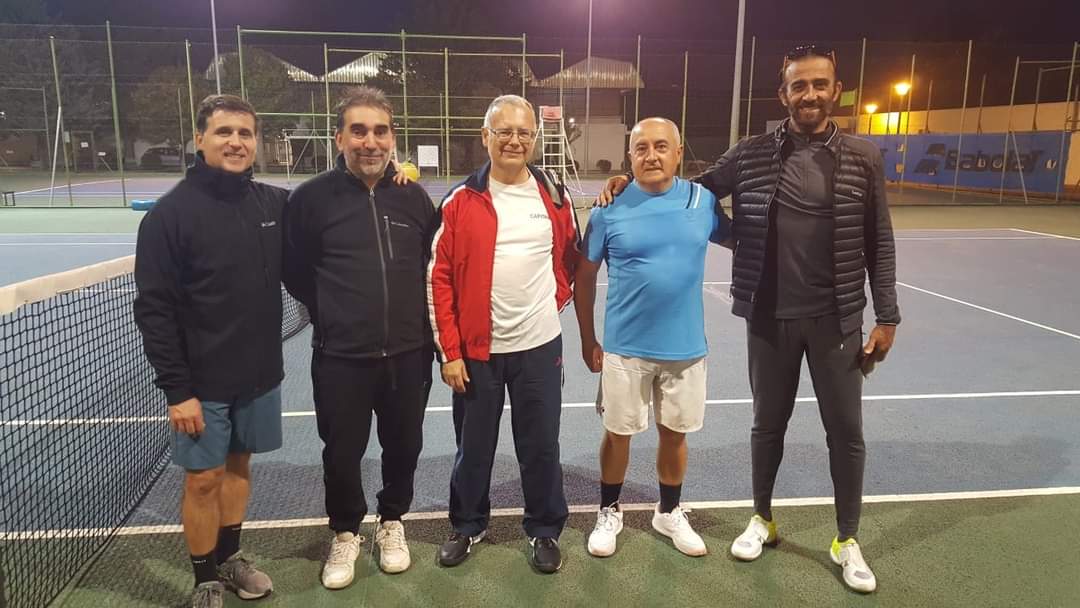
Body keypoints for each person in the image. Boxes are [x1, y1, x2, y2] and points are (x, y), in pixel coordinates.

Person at [598, 44, 900, 593]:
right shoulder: (751, 154)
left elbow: (880, 239)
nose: (809, 94)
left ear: (836, 90)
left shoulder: (863, 156)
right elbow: (691, 192)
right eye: (798, 85)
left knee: (846, 432)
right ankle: (762, 518)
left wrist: (887, 315)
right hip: (768, 315)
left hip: (838, 318)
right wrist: (627, 182)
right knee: (767, 426)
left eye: (819, 84)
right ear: (783, 94)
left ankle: (846, 539)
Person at [134, 94, 283, 608]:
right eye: (224, 132)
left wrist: (390, 175)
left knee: (238, 467)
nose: (236, 142)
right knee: (203, 480)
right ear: (199, 139)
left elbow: (327, 204)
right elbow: (154, 311)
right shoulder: (169, 216)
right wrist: (178, 391)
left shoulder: (271, 204)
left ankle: (230, 557)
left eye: (245, 133)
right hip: (200, 382)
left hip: (260, 373)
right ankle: (205, 579)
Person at [283, 86, 435, 587]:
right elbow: (294, 270)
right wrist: (333, 310)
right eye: (359, 131)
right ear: (340, 138)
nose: (370, 142)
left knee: (404, 446)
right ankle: (346, 531)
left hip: (409, 355)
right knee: (342, 453)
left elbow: (433, 266)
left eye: (380, 131)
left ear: (393, 138)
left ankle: (392, 521)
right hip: (340, 358)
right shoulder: (310, 199)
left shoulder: (413, 197)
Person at [427, 94, 579, 573]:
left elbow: (569, 255)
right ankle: (467, 525)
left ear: (534, 138)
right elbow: (438, 278)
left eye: (524, 132)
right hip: (477, 354)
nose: (515, 140)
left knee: (541, 447)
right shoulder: (460, 200)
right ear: (486, 137)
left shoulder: (554, 196)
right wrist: (450, 352)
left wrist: (552, 302)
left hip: (540, 348)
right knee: (473, 449)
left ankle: (544, 529)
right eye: (504, 131)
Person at [575, 117, 730, 559]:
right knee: (617, 434)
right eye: (641, 148)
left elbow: (747, 240)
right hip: (625, 348)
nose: (651, 155)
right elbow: (584, 277)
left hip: (686, 348)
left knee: (675, 435)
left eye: (661, 146)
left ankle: (669, 511)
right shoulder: (608, 208)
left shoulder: (701, 201)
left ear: (679, 153)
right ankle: (609, 510)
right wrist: (588, 339)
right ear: (630, 156)